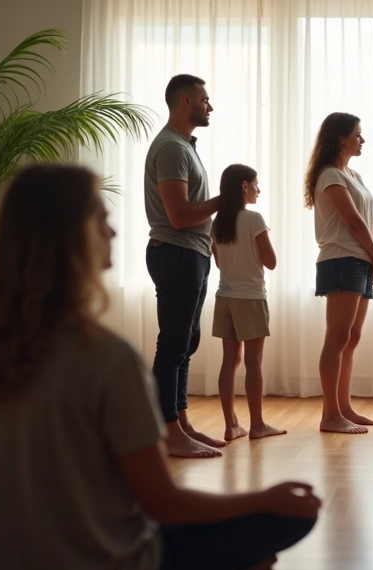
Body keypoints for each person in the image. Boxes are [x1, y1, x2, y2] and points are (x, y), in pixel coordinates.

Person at [0, 164, 319, 570]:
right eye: (99, 218)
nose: (112, 230)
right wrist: (262, 497)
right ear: (70, 239)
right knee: (297, 511)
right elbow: (162, 502)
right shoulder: (108, 357)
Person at [145, 74, 225, 458]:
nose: (210, 106)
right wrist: (221, 202)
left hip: (192, 252)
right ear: (185, 103)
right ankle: (168, 432)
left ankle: (181, 423)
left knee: (186, 342)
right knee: (174, 342)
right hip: (175, 250)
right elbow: (178, 215)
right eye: (205, 100)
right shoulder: (172, 149)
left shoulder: (185, 147)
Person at [306, 113, 373, 434]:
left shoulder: (352, 174)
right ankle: (330, 415)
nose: (362, 140)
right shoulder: (329, 176)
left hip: (361, 260)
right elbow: (353, 222)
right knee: (337, 338)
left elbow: (371, 219)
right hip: (341, 260)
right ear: (341, 138)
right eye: (358, 134)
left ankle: (345, 408)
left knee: (351, 339)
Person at [211, 164, 284, 441]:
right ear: (244, 186)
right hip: (250, 297)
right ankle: (257, 425)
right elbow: (272, 262)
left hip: (224, 296)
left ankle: (231, 425)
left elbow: (219, 263)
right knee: (253, 362)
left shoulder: (217, 222)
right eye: (255, 184)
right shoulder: (254, 219)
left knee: (230, 361)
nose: (258, 189)